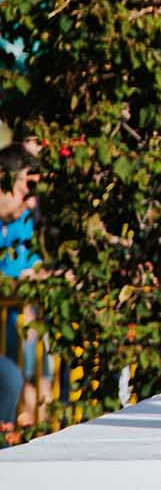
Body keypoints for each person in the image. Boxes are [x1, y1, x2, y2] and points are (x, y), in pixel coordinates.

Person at [0, 144, 41, 433]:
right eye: (26, 190)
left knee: (13, 378)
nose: (31, 201)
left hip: (13, 334)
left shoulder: (20, 222)